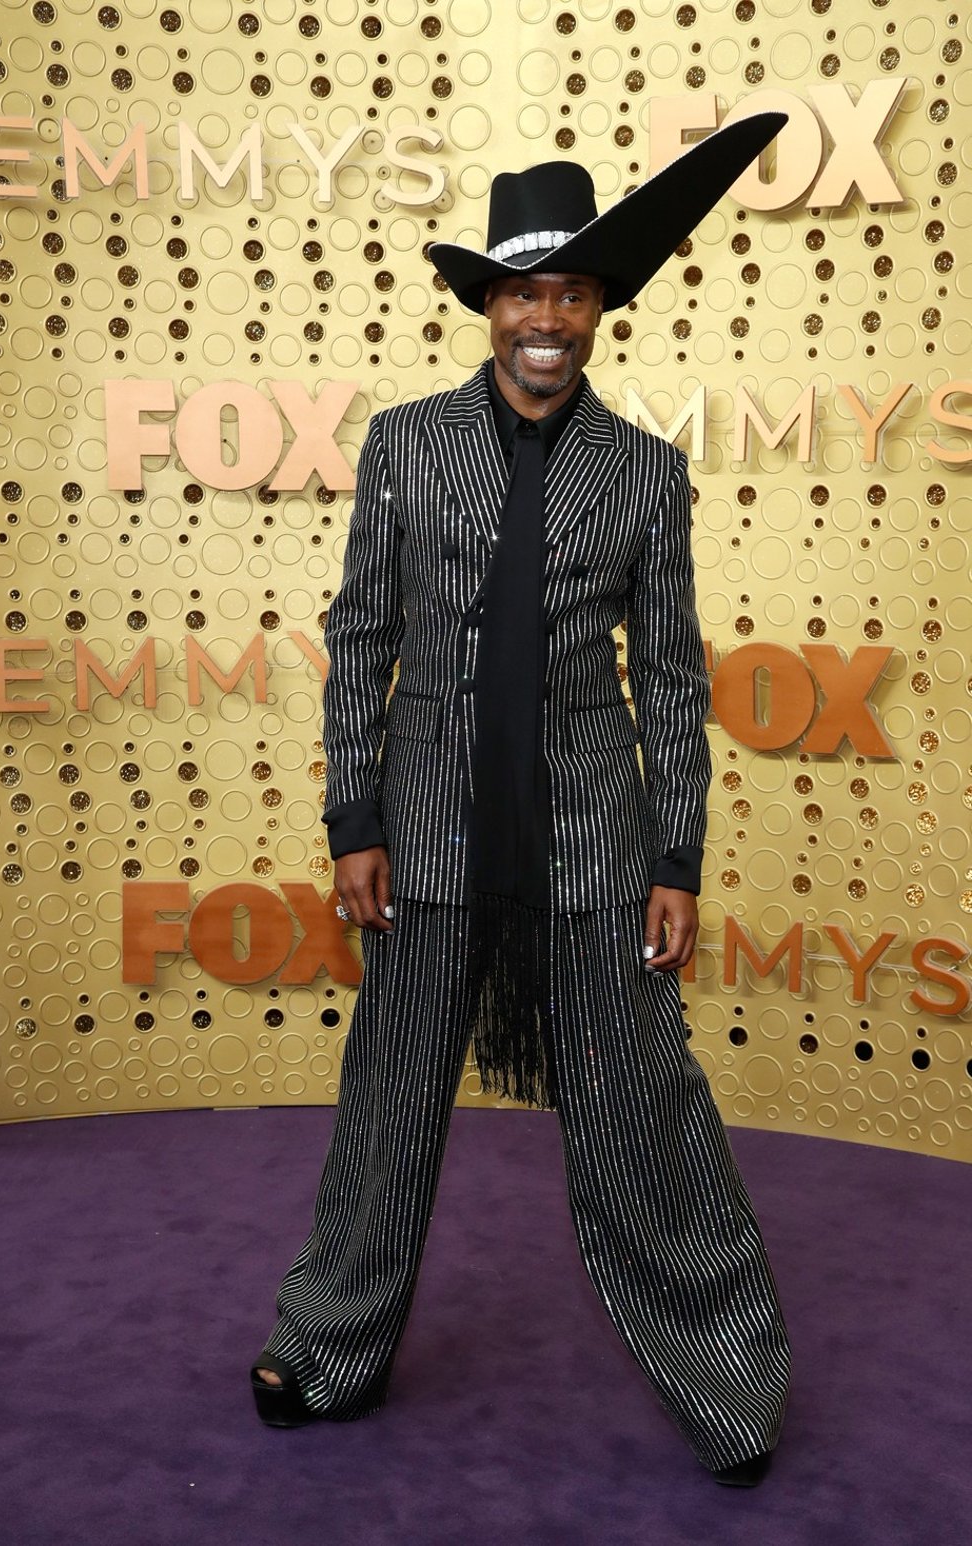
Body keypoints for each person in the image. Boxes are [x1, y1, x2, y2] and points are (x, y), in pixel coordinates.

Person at [251, 113, 792, 1487]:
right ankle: (325, 1346)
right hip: (424, 843)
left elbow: (670, 678)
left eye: (571, 291)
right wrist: (352, 820)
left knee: (640, 1110)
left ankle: (728, 1372)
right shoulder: (407, 447)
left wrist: (677, 851)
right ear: (486, 303)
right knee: (388, 1109)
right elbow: (362, 634)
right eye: (522, 291)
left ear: (599, 308)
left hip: (594, 851)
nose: (545, 317)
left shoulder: (647, 475)